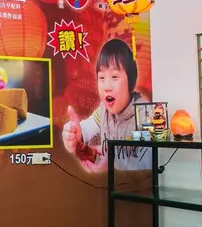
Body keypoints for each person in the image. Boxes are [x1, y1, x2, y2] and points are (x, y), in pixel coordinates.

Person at [62, 39, 151, 172]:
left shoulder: (145, 114)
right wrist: (75, 134)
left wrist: (111, 162)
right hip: (109, 184)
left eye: (114, 77)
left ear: (130, 80)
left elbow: (147, 162)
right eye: (102, 78)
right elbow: (87, 128)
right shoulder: (103, 110)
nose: (106, 86)